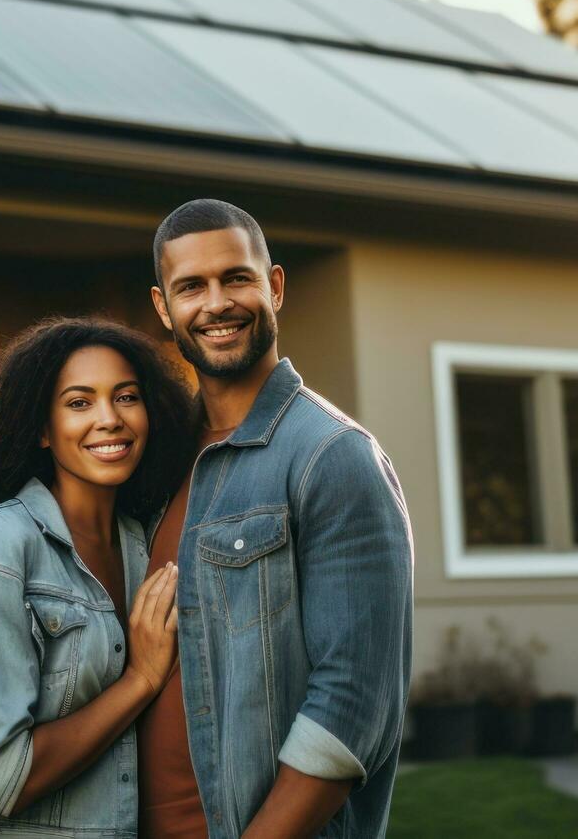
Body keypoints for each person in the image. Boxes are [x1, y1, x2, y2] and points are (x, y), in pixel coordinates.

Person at [142, 199, 414, 838]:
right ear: (163, 308)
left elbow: (353, 704)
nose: (217, 303)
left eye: (236, 277)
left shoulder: (332, 456)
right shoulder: (153, 464)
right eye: (191, 287)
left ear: (275, 286)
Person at [0, 316, 198, 838]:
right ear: (42, 429)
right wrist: (140, 680)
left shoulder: (146, 543)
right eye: (79, 402)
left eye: (126, 396)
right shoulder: (1, 546)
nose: (109, 418)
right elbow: (3, 778)